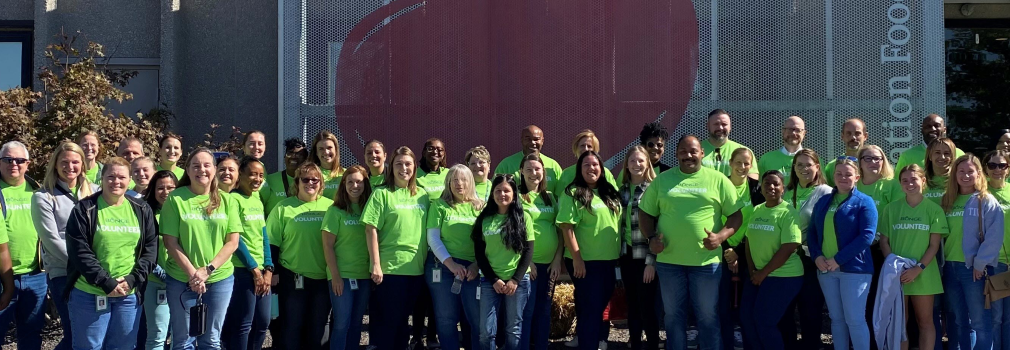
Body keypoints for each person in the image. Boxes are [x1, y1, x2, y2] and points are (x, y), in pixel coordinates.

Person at [639, 135, 743, 350]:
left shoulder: (718, 180)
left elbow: (736, 217)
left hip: (706, 264)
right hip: (669, 263)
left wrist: (720, 237)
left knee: (707, 317)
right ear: (676, 154)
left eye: (693, 151)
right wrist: (651, 239)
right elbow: (645, 213)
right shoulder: (662, 180)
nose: (689, 155)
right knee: (673, 317)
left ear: (702, 153)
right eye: (683, 152)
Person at [64, 156, 159, 350]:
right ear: (102, 178)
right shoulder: (85, 209)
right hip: (90, 293)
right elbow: (80, 252)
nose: (116, 181)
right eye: (111, 176)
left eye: (122, 177)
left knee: (122, 347)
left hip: (128, 295)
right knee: (89, 347)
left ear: (129, 179)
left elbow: (150, 250)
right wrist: (106, 283)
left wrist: (132, 280)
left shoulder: (142, 209)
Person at [160, 148, 242, 349]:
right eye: (195, 166)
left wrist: (207, 270)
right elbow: (170, 242)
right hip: (181, 280)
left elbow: (232, 242)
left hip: (219, 279)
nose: (201, 170)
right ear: (187, 170)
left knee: (211, 340)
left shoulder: (227, 200)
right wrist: (193, 275)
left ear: (214, 170)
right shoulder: (176, 199)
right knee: (183, 341)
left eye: (207, 165)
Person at [31, 141, 98, 350]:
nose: (70, 167)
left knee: (91, 332)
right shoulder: (43, 197)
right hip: (64, 273)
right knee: (73, 333)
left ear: (83, 165)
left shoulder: (96, 192)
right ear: (55, 164)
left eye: (75, 162)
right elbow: (51, 240)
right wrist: (85, 266)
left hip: (96, 272)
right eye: (64, 162)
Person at [361, 146, 430, 350]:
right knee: (388, 324)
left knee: (403, 324)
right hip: (390, 269)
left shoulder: (422, 195)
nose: (403, 168)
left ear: (415, 167)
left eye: (408, 164)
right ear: (391, 167)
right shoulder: (382, 193)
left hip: (416, 269)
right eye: (398, 164)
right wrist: (376, 264)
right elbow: (370, 229)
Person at [808, 156, 878, 350]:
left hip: (855, 270)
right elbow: (812, 232)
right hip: (826, 270)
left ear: (857, 176)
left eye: (848, 174)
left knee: (855, 320)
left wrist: (837, 259)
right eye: (839, 173)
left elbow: (867, 236)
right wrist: (817, 256)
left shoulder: (865, 202)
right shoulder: (823, 200)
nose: (843, 177)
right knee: (836, 320)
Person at [557, 150, 622, 350]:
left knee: (599, 309)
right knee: (590, 311)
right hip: (585, 262)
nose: (591, 168)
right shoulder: (573, 192)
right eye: (586, 165)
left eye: (595, 164)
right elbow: (567, 227)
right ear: (580, 169)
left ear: (601, 169)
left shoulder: (609, 191)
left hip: (609, 261)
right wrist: (577, 259)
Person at [878, 164, 946, 350]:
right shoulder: (891, 209)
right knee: (899, 324)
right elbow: (884, 241)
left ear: (923, 181)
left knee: (925, 322)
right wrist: (893, 265)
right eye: (905, 180)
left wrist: (918, 269)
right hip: (897, 275)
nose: (910, 184)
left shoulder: (934, 210)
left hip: (924, 274)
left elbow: (934, 246)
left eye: (914, 179)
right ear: (900, 184)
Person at [941, 154, 1005, 350]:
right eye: (961, 171)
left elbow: (995, 236)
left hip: (973, 270)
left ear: (979, 174)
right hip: (950, 268)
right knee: (960, 321)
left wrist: (980, 263)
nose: (966, 175)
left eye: (970, 171)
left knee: (980, 322)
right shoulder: (947, 200)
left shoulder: (985, 200)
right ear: (955, 174)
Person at [267, 162, 332, 350]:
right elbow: (272, 242)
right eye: (305, 179)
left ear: (321, 183)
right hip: (293, 277)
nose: (310, 183)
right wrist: (274, 271)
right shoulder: (283, 208)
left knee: (319, 326)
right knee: (292, 325)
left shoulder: (331, 207)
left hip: (323, 277)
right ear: (297, 182)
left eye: (315, 179)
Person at [739, 170, 804, 350]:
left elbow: (789, 246)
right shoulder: (757, 209)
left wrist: (762, 273)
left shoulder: (788, 212)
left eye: (776, 184)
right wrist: (753, 271)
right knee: (746, 318)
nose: (772, 187)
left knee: (765, 321)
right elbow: (748, 241)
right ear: (761, 188)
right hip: (757, 275)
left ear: (783, 188)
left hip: (783, 276)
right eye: (767, 183)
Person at [425, 164, 484, 350]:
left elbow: (488, 240)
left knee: (476, 318)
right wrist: (451, 265)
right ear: (448, 183)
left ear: (471, 182)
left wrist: (476, 265)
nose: (459, 184)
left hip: (473, 270)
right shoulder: (439, 205)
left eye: (464, 179)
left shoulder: (480, 207)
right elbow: (433, 238)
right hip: (443, 267)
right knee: (446, 318)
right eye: (454, 180)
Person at [474, 174, 536, 350]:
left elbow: (528, 251)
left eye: (507, 190)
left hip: (517, 283)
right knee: (486, 331)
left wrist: (515, 280)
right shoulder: (484, 220)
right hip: (490, 282)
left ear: (514, 194)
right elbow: (480, 255)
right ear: (492, 194)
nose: (502, 194)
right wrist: (494, 279)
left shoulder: (524, 218)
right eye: (498, 190)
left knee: (513, 329)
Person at [780, 149, 833, 350]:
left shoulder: (826, 193)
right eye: (799, 165)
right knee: (786, 309)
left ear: (817, 167)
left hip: (811, 260)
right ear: (793, 168)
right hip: (787, 258)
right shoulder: (785, 192)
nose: (804, 169)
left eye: (808, 164)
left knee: (810, 309)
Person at [222, 157, 274, 350]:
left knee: (262, 323)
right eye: (252, 174)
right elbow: (237, 240)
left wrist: (268, 267)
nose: (257, 179)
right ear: (240, 175)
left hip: (261, 270)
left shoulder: (257, 199)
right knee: (243, 324)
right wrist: (254, 270)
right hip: (242, 270)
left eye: (261, 175)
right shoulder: (232, 199)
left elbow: (264, 235)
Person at [322, 165, 374, 350]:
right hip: (342, 275)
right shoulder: (335, 211)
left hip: (364, 276)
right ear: (343, 184)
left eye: (359, 181)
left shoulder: (370, 209)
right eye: (350, 182)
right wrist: (335, 276)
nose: (354, 186)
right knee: (342, 323)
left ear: (365, 184)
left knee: (356, 323)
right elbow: (327, 246)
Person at [0, 141, 45, 350]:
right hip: (2, 279)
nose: (13, 164)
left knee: (31, 335)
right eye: (8, 160)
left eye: (19, 160)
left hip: (36, 275)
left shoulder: (38, 190)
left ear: (28, 163)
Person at [517, 152, 563, 350]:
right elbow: (514, 233)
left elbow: (560, 231)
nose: (533, 173)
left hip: (548, 266)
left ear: (543, 172)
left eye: (537, 169)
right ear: (521, 172)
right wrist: (528, 263)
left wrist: (557, 260)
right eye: (529, 169)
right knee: (526, 311)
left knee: (544, 310)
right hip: (528, 266)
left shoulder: (551, 198)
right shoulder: (516, 197)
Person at [616, 146, 660, 350]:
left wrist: (651, 262)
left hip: (645, 257)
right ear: (627, 164)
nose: (637, 164)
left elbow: (658, 228)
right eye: (632, 161)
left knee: (647, 306)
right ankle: (635, 343)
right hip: (627, 255)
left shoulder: (653, 189)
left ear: (648, 163)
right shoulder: (622, 190)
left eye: (641, 161)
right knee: (632, 304)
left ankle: (651, 344)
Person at [720, 147, 762, 350]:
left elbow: (760, 222)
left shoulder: (757, 188)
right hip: (721, 251)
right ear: (730, 163)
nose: (743, 167)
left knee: (747, 306)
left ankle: (745, 341)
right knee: (722, 303)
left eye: (747, 163)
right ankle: (725, 342)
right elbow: (711, 218)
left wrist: (738, 250)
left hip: (748, 251)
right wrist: (728, 250)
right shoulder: (720, 184)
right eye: (738, 162)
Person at [141, 170, 178, 350]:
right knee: (157, 336)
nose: (166, 191)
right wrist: (160, 273)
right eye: (160, 188)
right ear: (153, 190)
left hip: (182, 281)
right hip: (157, 282)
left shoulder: (183, 212)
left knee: (181, 336)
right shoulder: (146, 214)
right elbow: (140, 250)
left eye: (171, 187)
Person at [984, 150, 1010, 349]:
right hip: (993, 263)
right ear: (985, 169)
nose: (997, 169)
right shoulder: (981, 193)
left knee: (1009, 318)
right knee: (996, 317)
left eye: (1002, 165)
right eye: (992, 165)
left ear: (1008, 169)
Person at [494, 125, 564, 194]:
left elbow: (560, 196)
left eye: (536, 139)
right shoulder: (506, 165)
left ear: (542, 141)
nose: (532, 142)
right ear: (522, 140)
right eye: (528, 139)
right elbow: (495, 192)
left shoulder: (553, 166)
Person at [895, 114, 966, 171]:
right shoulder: (908, 156)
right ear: (922, 130)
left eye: (937, 125)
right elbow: (897, 185)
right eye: (928, 127)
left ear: (944, 130)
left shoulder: (959, 154)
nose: (932, 129)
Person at [701, 109, 757, 178]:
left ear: (730, 126)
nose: (720, 128)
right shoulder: (696, 150)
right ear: (708, 126)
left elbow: (752, 182)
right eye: (716, 124)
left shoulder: (744, 152)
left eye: (724, 124)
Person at [261, 138, 309, 216]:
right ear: (284, 157)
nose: (293, 156)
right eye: (290, 153)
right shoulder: (269, 180)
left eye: (299, 154)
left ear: (306, 159)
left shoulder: (310, 183)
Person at [824, 119, 869, 186]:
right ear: (842, 136)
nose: (853, 137)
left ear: (865, 136)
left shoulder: (873, 164)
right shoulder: (831, 167)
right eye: (848, 133)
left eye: (857, 133)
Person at [311, 130, 345, 199]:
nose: (326, 152)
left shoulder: (346, 174)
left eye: (329, 148)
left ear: (336, 150)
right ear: (316, 152)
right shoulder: (310, 175)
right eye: (321, 149)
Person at [924, 138, 958, 203]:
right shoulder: (920, 179)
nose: (942, 157)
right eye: (937, 152)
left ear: (952, 157)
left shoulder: (957, 179)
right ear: (930, 156)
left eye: (946, 153)